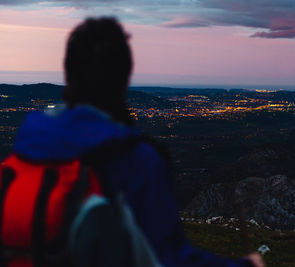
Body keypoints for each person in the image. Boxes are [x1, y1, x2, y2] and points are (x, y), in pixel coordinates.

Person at [12, 17, 265, 267]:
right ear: (124, 79)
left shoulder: (28, 148)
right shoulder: (133, 160)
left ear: (68, 73)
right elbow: (169, 258)